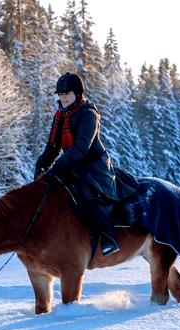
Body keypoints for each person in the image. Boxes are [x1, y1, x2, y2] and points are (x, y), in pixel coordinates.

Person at [34, 72, 138, 255]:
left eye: (67, 93)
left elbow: (81, 148)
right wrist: (41, 165)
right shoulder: (60, 116)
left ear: (78, 93)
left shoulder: (89, 114)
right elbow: (52, 147)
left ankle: (109, 238)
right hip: (72, 165)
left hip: (94, 167)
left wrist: (57, 168)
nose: (63, 97)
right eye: (60, 93)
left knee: (88, 195)